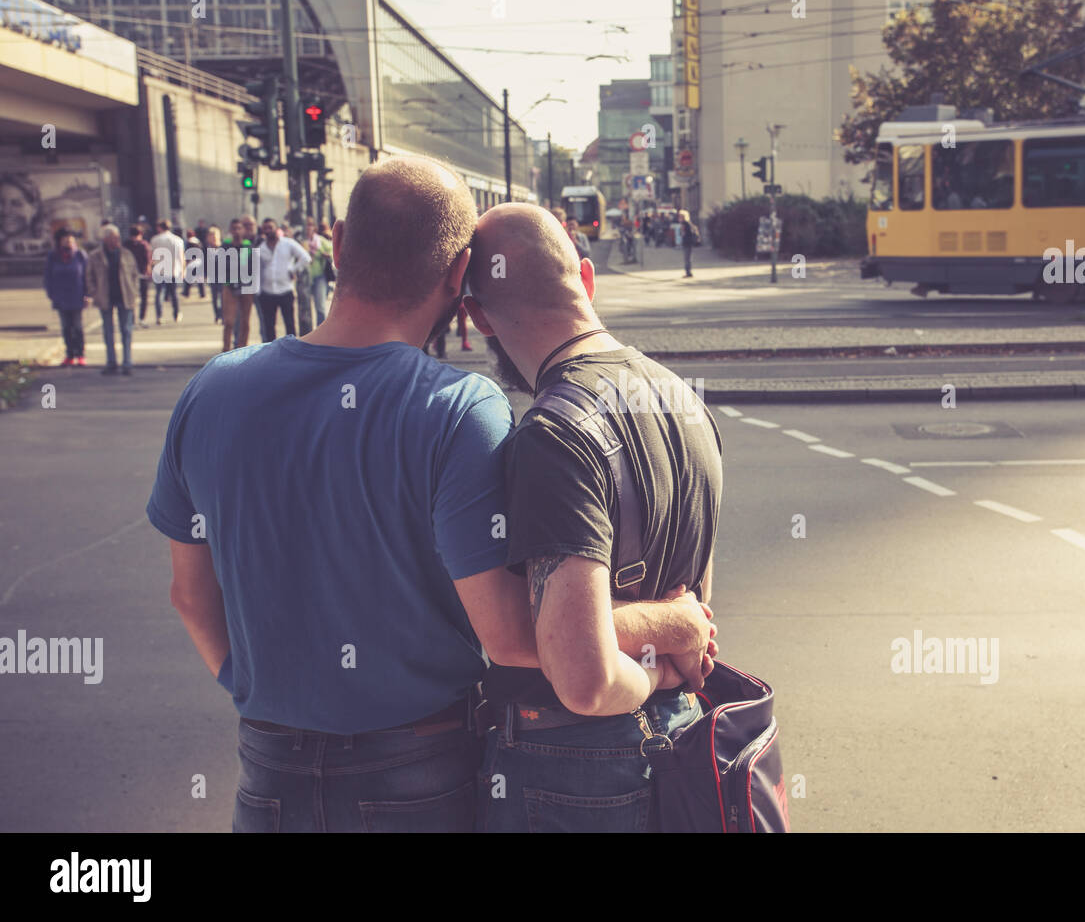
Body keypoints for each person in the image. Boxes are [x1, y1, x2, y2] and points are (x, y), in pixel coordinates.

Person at [146, 155, 709, 833]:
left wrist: (250, 686)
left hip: (266, 764)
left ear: (340, 243)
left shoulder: (213, 389)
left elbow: (188, 595)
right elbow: (512, 634)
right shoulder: (458, 408)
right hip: (418, 771)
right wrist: (672, 625)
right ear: (456, 276)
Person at [463, 203, 722, 834]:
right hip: (680, 738)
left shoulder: (552, 434)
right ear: (586, 277)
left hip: (571, 770)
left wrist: (651, 659)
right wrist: (670, 649)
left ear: (475, 317)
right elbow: (696, 616)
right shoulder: (680, 395)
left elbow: (582, 677)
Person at [85, 223, 139, 376]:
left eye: (118, 237)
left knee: (126, 331)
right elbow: (89, 276)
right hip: (105, 297)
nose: (117, 240)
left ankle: (127, 363)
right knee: (108, 332)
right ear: (106, 239)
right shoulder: (96, 256)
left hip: (125, 296)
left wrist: (134, 292)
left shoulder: (126, 254)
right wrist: (94, 293)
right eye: (114, 238)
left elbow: (135, 274)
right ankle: (111, 362)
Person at [255, 217, 310, 342]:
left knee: (289, 324)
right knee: (269, 326)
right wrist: (257, 292)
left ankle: (291, 351)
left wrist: (293, 269)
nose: (268, 230)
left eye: (270, 227)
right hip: (266, 292)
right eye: (265, 228)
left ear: (276, 228)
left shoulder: (288, 243)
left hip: (285, 290)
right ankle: (271, 353)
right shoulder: (261, 248)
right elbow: (257, 270)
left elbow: (305, 258)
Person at [43, 227, 88, 366]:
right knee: (66, 327)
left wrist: (88, 294)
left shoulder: (80, 255)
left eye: (71, 239)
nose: (68, 241)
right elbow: (48, 277)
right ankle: (69, 354)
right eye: (65, 239)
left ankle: (80, 354)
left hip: (77, 296)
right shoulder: (53, 256)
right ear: (60, 241)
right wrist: (51, 294)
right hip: (61, 298)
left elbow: (87, 275)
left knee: (78, 327)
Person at [220, 219, 256, 352]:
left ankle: (242, 348)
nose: (236, 231)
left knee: (245, 321)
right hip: (229, 285)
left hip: (246, 286)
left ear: (243, 230)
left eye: (239, 228)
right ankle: (226, 349)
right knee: (229, 321)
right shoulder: (225, 246)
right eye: (234, 228)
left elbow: (251, 266)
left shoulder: (248, 246)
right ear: (230, 230)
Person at [149, 219, 185, 325]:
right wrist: (183, 270)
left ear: (160, 227)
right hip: (173, 269)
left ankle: (159, 316)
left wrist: (151, 267)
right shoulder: (177, 240)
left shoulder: (155, 239)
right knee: (174, 293)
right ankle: (177, 313)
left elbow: (152, 255)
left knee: (159, 293)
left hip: (159, 269)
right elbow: (181, 256)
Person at [299, 217, 329, 332]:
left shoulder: (320, 241)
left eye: (310, 225)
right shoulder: (300, 241)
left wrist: (327, 255)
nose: (308, 228)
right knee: (305, 308)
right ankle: (309, 333)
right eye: (306, 225)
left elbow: (332, 251)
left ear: (314, 227)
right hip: (304, 278)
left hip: (319, 277)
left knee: (320, 307)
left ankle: (321, 332)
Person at [124, 225, 151, 329]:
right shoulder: (127, 245)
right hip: (131, 275)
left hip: (141, 274)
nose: (135, 238)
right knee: (131, 298)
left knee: (144, 297)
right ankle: (133, 320)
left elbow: (148, 260)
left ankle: (141, 318)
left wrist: (148, 271)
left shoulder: (143, 245)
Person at [678, 209, 699, 278]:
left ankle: (688, 272)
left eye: (680, 216)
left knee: (687, 258)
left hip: (686, 242)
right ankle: (688, 272)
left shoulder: (684, 223)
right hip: (689, 242)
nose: (679, 217)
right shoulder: (688, 222)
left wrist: (681, 230)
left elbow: (682, 233)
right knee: (688, 258)